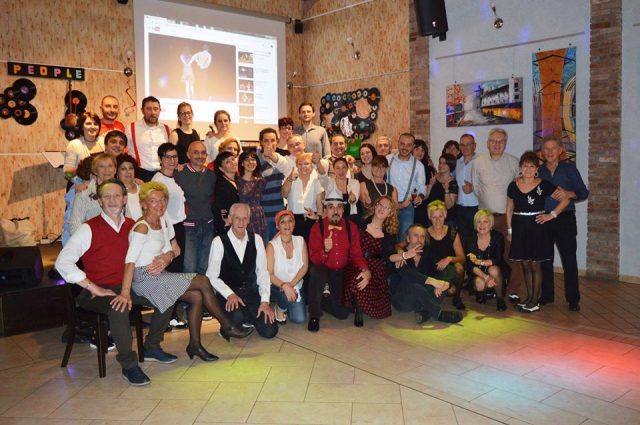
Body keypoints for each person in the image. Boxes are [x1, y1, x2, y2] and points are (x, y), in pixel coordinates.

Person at [55, 179, 174, 386]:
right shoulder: (88, 228)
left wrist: (167, 257)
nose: (112, 200)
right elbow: (62, 262)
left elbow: (163, 248)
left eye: (117, 195)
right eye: (107, 196)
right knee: (119, 306)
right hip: (97, 292)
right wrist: (93, 287)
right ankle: (129, 364)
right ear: (100, 201)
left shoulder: (133, 225)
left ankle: (152, 346)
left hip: (130, 285)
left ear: (125, 199)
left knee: (167, 294)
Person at [124, 182, 253, 362]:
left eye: (163, 200)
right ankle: (226, 325)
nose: (160, 204)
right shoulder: (142, 227)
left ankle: (195, 345)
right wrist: (125, 292)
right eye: (154, 201)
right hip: (143, 278)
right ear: (144, 203)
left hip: (159, 275)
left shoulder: (162, 221)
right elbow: (129, 261)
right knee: (202, 281)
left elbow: (172, 251)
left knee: (197, 296)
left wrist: (166, 257)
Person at [506, 151, 569, 313]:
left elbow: (565, 200)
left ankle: (535, 300)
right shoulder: (513, 185)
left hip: (537, 228)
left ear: (536, 169)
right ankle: (528, 297)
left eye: (531, 166)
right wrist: (510, 230)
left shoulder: (543, 184)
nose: (528, 169)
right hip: (519, 228)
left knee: (535, 264)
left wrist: (551, 215)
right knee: (525, 263)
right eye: (525, 166)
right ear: (520, 168)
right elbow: (509, 208)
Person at [206, 203, 279, 338]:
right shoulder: (219, 242)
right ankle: (235, 321)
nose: (241, 222)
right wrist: (229, 294)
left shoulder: (256, 239)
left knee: (270, 331)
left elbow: (263, 273)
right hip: (229, 295)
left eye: (245, 218)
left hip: (252, 294)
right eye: (237, 218)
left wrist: (264, 301)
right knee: (237, 318)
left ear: (249, 220)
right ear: (230, 219)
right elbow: (211, 276)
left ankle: (248, 317)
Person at [307, 188, 371, 332]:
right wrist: (325, 251)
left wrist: (366, 270)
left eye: (339, 207)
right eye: (331, 207)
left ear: (343, 209)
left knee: (342, 314)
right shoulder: (317, 228)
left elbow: (356, 254)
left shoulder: (351, 227)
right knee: (317, 272)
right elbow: (314, 259)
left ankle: (322, 300)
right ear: (325, 209)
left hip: (341, 272)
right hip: (324, 269)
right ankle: (314, 315)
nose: (335, 211)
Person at [539, 136, 589, 311]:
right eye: (546, 148)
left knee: (569, 260)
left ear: (560, 150)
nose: (550, 152)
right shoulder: (538, 171)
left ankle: (573, 299)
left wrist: (569, 193)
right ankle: (547, 296)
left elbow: (583, 192)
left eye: (553, 148)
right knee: (545, 260)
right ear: (542, 152)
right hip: (544, 219)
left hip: (565, 219)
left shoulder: (569, 169)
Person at [471, 128, 521, 302]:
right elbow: (476, 188)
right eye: (493, 141)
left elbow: (518, 190)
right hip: (486, 219)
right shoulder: (478, 162)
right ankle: (489, 287)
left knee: (510, 255)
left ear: (505, 143)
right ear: (487, 143)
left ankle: (513, 290)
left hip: (507, 218)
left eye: (501, 141)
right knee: (487, 256)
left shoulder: (514, 162)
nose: (497, 144)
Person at [388, 224, 463, 324]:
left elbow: (449, 269)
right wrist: (433, 282)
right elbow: (408, 274)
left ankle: (425, 311)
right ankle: (439, 314)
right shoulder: (401, 255)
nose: (419, 239)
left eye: (422, 236)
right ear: (408, 238)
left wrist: (445, 283)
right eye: (415, 235)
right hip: (403, 301)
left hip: (421, 298)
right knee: (414, 284)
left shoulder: (427, 252)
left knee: (442, 276)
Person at [343, 195, 396, 326]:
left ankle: (359, 303)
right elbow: (340, 220)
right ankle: (359, 309)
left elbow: (388, 256)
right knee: (358, 278)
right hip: (356, 262)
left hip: (377, 267)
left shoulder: (389, 234)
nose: (382, 209)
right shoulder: (359, 221)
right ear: (375, 206)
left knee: (381, 310)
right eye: (380, 205)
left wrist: (404, 255)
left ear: (390, 213)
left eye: (386, 208)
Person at [62, 111, 104, 244]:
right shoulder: (74, 144)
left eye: (95, 124)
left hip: (100, 186)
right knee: (75, 223)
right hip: (79, 186)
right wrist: (79, 183)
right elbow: (67, 172)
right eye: (88, 123)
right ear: (81, 126)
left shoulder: (103, 141)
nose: (92, 127)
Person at [174, 141, 216, 275]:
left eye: (203, 153)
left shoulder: (211, 175)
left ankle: (202, 289)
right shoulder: (178, 174)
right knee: (189, 268)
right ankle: (189, 290)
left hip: (208, 227)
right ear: (188, 155)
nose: (200, 156)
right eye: (196, 152)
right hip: (188, 228)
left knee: (204, 268)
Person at [267, 210, 308, 324]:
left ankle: (288, 305)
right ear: (277, 226)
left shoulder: (300, 240)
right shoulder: (271, 246)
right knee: (285, 298)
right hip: (277, 286)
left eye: (290, 221)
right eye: (283, 222)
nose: (287, 225)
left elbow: (305, 266)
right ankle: (280, 308)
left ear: (294, 223)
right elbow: (269, 274)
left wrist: (291, 285)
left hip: (295, 285)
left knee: (299, 319)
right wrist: (285, 286)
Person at [151, 143, 186, 272]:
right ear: (160, 159)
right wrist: (172, 239)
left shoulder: (171, 178)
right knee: (173, 270)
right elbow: (159, 213)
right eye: (167, 157)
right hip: (169, 230)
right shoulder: (159, 181)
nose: (172, 160)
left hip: (178, 228)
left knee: (178, 268)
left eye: (174, 156)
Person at [465, 209, 509, 311]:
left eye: (485, 221)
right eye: (479, 222)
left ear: (491, 224)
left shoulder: (498, 237)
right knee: (479, 284)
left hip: (495, 269)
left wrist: (480, 262)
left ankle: (500, 299)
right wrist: (486, 278)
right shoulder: (470, 238)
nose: (482, 225)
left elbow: (497, 259)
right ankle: (482, 293)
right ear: (475, 224)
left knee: (493, 270)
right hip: (477, 272)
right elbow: (471, 265)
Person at [426, 200, 466, 310]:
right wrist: (400, 251)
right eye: (434, 217)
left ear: (445, 216)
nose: (438, 220)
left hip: (449, 269)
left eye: (440, 216)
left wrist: (449, 259)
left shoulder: (452, 232)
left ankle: (457, 299)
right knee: (449, 291)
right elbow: (404, 244)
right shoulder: (424, 233)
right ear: (430, 218)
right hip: (433, 269)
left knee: (459, 268)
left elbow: (462, 258)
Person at [386, 133, 426, 240]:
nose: (405, 147)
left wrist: (420, 196)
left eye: (408, 145)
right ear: (398, 144)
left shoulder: (418, 165)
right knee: (388, 239)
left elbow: (421, 187)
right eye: (402, 144)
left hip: (407, 207)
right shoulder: (388, 160)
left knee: (405, 239)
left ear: (413, 146)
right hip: (388, 206)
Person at [125, 96, 172, 182]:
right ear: (142, 110)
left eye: (155, 109)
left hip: (163, 174)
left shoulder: (167, 129)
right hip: (140, 175)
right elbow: (124, 152)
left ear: (160, 110)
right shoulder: (131, 128)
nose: (153, 112)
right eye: (149, 109)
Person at [69, 153, 117, 235]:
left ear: (115, 170)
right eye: (102, 166)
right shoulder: (83, 194)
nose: (107, 170)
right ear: (95, 171)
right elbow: (74, 226)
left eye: (110, 166)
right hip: (93, 240)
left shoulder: (122, 192)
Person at [281, 153, 324, 240]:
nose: (303, 166)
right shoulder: (290, 179)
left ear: (311, 166)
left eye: (306, 163)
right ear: (296, 166)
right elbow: (284, 194)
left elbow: (320, 206)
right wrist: (290, 179)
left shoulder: (315, 181)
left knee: (311, 246)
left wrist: (318, 218)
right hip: (293, 222)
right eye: (300, 164)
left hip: (311, 220)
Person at [256, 128, 287, 240]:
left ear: (277, 142)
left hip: (281, 216)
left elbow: (286, 168)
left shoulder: (282, 160)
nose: (270, 144)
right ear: (261, 142)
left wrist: (272, 157)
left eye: (273, 140)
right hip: (263, 216)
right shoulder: (255, 162)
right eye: (266, 141)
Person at [237, 150, 267, 242]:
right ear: (242, 163)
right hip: (242, 216)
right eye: (247, 159)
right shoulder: (236, 181)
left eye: (253, 159)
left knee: (258, 244)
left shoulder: (261, 181)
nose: (250, 162)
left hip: (257, 216)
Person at [456, 134, 479, 246]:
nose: (465, 147)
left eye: (468, 144)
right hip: (460, 208)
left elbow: (487, 184)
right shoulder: (457, 163)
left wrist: (473, 188)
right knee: (463, 240)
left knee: (476, 240)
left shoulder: (480, 162)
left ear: (474, 146)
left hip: (476, 208)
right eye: (462, 145)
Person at [425, 153, 459, 225]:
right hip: (431, 218)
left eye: (444, 163)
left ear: (450, 166)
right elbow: (425, 197)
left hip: (446, 220)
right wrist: (430, 185)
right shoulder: (433, 177)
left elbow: (449, 206)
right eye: (440, 163)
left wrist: (446, 190)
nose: (441, 165)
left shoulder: (453, 183)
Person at [212, 151, 239, 237]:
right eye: (227, 162)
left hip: (238, 225)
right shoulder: (221, 185)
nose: (232, 163)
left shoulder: (238, 180)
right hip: (227, 229)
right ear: (221, 168)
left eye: (233, 159)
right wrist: (223, 222)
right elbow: (216, 208)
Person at [412, 139, 436, 227]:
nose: (420, 152)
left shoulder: (428, 168)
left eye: (422, 150)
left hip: (422, 205)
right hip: (406, 204)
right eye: (417, 149)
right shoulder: (405, 166)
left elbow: (428, 193)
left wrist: (430, 185)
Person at [116, 154, 142, 220]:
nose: (128, 172)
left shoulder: (142, 187)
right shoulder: (115, 192)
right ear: (117, 172)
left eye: (131, 168)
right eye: (123, 169)